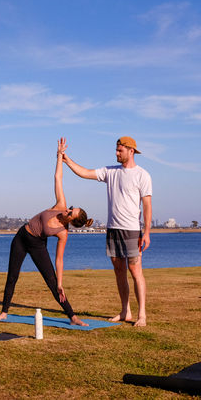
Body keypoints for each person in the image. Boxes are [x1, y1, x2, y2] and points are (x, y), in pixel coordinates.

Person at [0, 138, 91, 326]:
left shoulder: (63, 233)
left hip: (37, 245)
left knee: (52, 282)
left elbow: (59, 259)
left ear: (72, 220)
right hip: (22, 237)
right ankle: (4, 312)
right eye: (71, 207)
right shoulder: (60, 204)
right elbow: (57, 178)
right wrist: (59, 156)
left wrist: (61, 282)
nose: (68, 209)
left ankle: (72, 316)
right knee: (12, 276)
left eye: (71, 213)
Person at [62, 136, 152, 326]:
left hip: (132, 230)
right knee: (119, 271)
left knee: (135, 270)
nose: (117, 153)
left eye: (120, 150)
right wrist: (66, 159)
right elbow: (85, 173)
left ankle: (142, 314)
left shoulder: (142, 175)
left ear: (131, 151)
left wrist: (147, 232)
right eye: (116, 150)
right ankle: (125, 311)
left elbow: (147, 206)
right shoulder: (110, 172)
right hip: (113, 229)